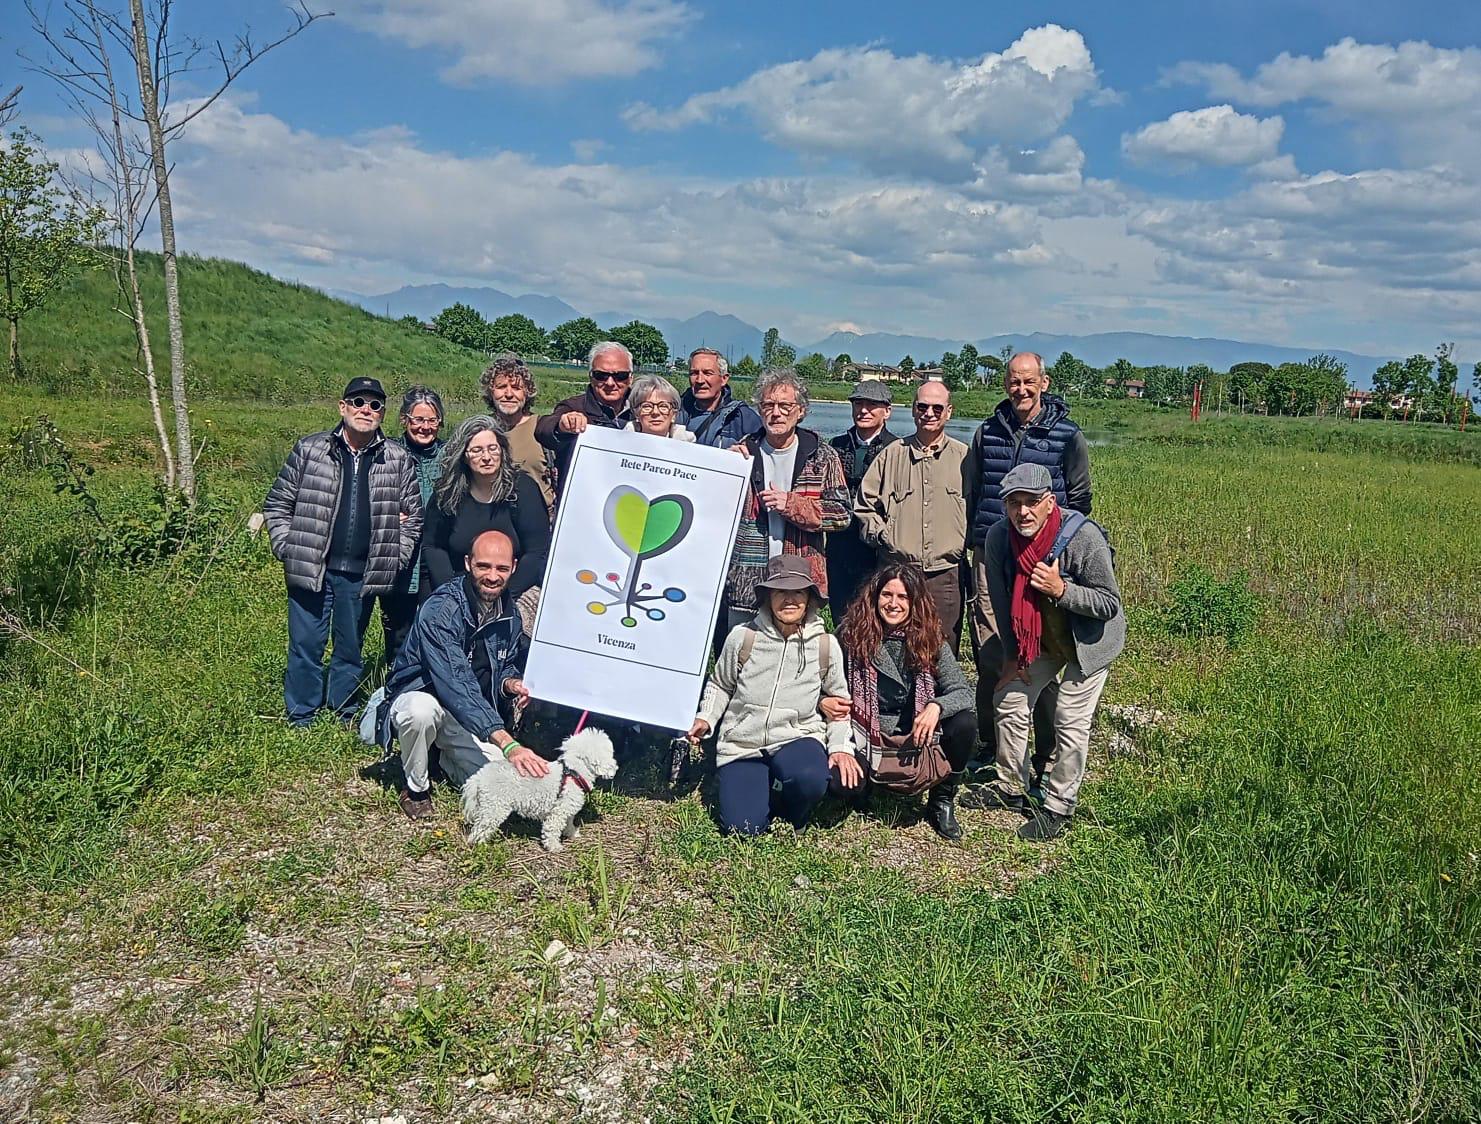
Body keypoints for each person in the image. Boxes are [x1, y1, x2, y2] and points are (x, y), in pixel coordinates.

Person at [263, 376, 422, 726]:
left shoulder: (396, 458)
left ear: (382, 414)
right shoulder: (311, 449)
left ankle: (343, 711)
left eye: (375, 405)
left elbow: (413, 518)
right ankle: (301, 714)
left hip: (361, 573)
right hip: (311, 567)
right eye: (358, 402)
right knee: (306, 646)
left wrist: (395, 559)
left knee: (350, 648)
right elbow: (277, 505)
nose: (366, 410)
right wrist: (288, 547)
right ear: (343, 407)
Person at [965, 352, 1093, 767]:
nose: (1021, 389)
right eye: (1014, 382)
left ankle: (1048, 746)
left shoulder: (1067, 435)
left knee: (1045, 647)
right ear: (1005, 384)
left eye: (1029, 382)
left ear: (1045, 383)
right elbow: (974, 491)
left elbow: (1080, 499)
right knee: (992, 646)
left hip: (1047, 558)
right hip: (992, 550)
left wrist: (1064, 553)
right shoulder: (987, 432)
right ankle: (993, 744)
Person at [982, 464, 1123, 842]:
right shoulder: (999, 538)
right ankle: (1012, 788)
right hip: (1040, 637)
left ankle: (1059, 806)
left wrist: (1062, 590)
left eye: (1031, 502)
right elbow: (999, 600)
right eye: (1014, 503)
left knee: (1069, 719)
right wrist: (1012, 656)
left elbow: (1109, 603)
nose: (1022, 512)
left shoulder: (1083, 538)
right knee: (1009, 700)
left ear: (1049, 503)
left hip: (1088, 641)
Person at [380, 530, 550, 819]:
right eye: (484, 566)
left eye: (501, 568)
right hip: (426, 696)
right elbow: (456, 680)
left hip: (466, 718)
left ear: (514, 568)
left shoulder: (510, 613)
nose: (492, 576)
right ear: (469, 563)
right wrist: (507, 743)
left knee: (511, 790)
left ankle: (444, 758)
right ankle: (416, 789)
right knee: (420, 712)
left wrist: (511, 684)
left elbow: (502, 665)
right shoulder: (441, 609)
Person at [688, 555, 853, 836]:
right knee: (743, 828)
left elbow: (840, 706)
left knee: (811, 779)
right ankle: (758, 792)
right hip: (742, 743)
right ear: (767, 596)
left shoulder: (825, 645)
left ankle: (793, 808)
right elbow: (720, 685)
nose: (789, 600)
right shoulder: (743, 637)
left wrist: (840, 747)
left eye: (797, 592)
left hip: (797, 736)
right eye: (780, 591)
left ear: (809, 598)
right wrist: (706, 718)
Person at [837, 564, 977, 840]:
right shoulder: (850, 635)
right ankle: (863, 785)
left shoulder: (931, 639)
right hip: (866, 728)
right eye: (887, 594)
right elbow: (830, 684)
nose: (893, 604)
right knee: (840, 786)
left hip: (915, 727)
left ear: (915, 602)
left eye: (903, 597)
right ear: (874, 597)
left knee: (965, 723)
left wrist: (936, 707)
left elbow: (963, 691)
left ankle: (941, 799)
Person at [723, 367, 850, 635]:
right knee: (743, 660)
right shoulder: (743, 453)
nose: (776, 412)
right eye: (768, 405)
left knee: (796, 662)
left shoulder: (822, 456)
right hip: (748, 580)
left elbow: (842, 514)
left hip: (800, 581)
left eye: (785, 405)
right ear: (759, 409)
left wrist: (793, 505)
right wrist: (726, 470)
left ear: (801, 410)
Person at [853, 379, 969, 655]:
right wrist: (885, 536)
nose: (929, 413)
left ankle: (941, 698)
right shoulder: (891, 455)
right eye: (922, 406)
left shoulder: (966, 458)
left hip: (946, 575)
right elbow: (864, 507)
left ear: (949, 412)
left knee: (943, 649)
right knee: (894, 647)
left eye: (937, 408)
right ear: (913, 410)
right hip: (897, 574)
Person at [422, 416, 550, 604]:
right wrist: (452, 596)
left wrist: (503, 600)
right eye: (477, 450)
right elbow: (434, 547)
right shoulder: (446, 494)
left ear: (502, 450)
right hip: (458, 594)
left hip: (513, 594)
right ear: (463, 455)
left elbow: (536, 551)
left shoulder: (523, 489)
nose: (487, 457)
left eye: (493, 448)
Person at [377, 385, 445, 668]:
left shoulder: (449, 456)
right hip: (397, 555)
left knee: (433, 625)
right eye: (418, 420)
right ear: (404, 419)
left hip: (435, 555)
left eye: (431, 420)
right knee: (398, 628)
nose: (425, 427)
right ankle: (394, 680)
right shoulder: (386, 453)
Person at [826, 379, 899, 624]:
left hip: (877, 552)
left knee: (875, 618)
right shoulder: (835, 446)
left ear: (887, 411)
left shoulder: (896, 449)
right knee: (841, 617)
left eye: (871, 405)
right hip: (839, 548)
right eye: (858, 403)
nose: (863, 410)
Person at [535, 340, 635, 501]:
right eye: (601, 375)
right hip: (581, 504)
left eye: (620, 376)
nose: (610, 383)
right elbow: (543, 430)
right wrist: (562, 425)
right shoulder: (573, 407)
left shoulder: (642, 410)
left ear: (631, 378)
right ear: (590, 376)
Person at [481, 352, 556, 509]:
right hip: (493, 523)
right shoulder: (479, 430)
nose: (509, 394)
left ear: (527, 392)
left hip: (540, 523)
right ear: (491, 391)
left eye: (516, 388)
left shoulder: (543, 428)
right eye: (501, 387)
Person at [677, 347, 761, 447]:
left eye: (707, 373)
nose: (700, 380)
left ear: (724, 379)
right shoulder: (673, 412)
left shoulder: (742, 417)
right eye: (694, 373)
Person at [625, 375, 696, 441]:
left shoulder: (689, 445)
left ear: (674, 414)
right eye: (647, 406)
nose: (655, 412)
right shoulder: (622, 441)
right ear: (636, 413)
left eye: (663, 406)